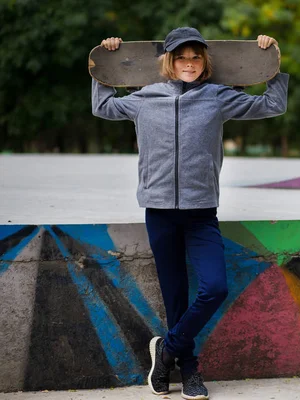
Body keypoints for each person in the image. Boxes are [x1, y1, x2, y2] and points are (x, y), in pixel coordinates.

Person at [92, 27, 288, 400]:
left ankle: (166, 351)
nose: (189, 64)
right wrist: (107, 64)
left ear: (204, 61)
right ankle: (190, 367)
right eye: (181, 57)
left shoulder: (218, 98)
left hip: (201, 212)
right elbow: (101, 106)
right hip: (159, 211)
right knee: (176, 295)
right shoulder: (144, 98)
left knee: (214, 287)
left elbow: (273, 104)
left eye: (196, 57)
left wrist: (269, 63)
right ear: (169, 61)